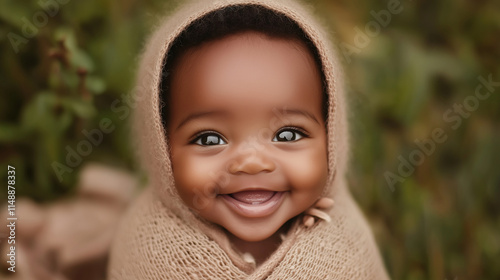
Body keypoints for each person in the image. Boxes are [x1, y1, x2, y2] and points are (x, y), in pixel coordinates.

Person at [108, 0, 390, 279]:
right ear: (160, 148)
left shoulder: (346, 249)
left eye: (287, 135)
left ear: (331, 138)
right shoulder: (149, 251)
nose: (252, 164)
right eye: (209, 139)